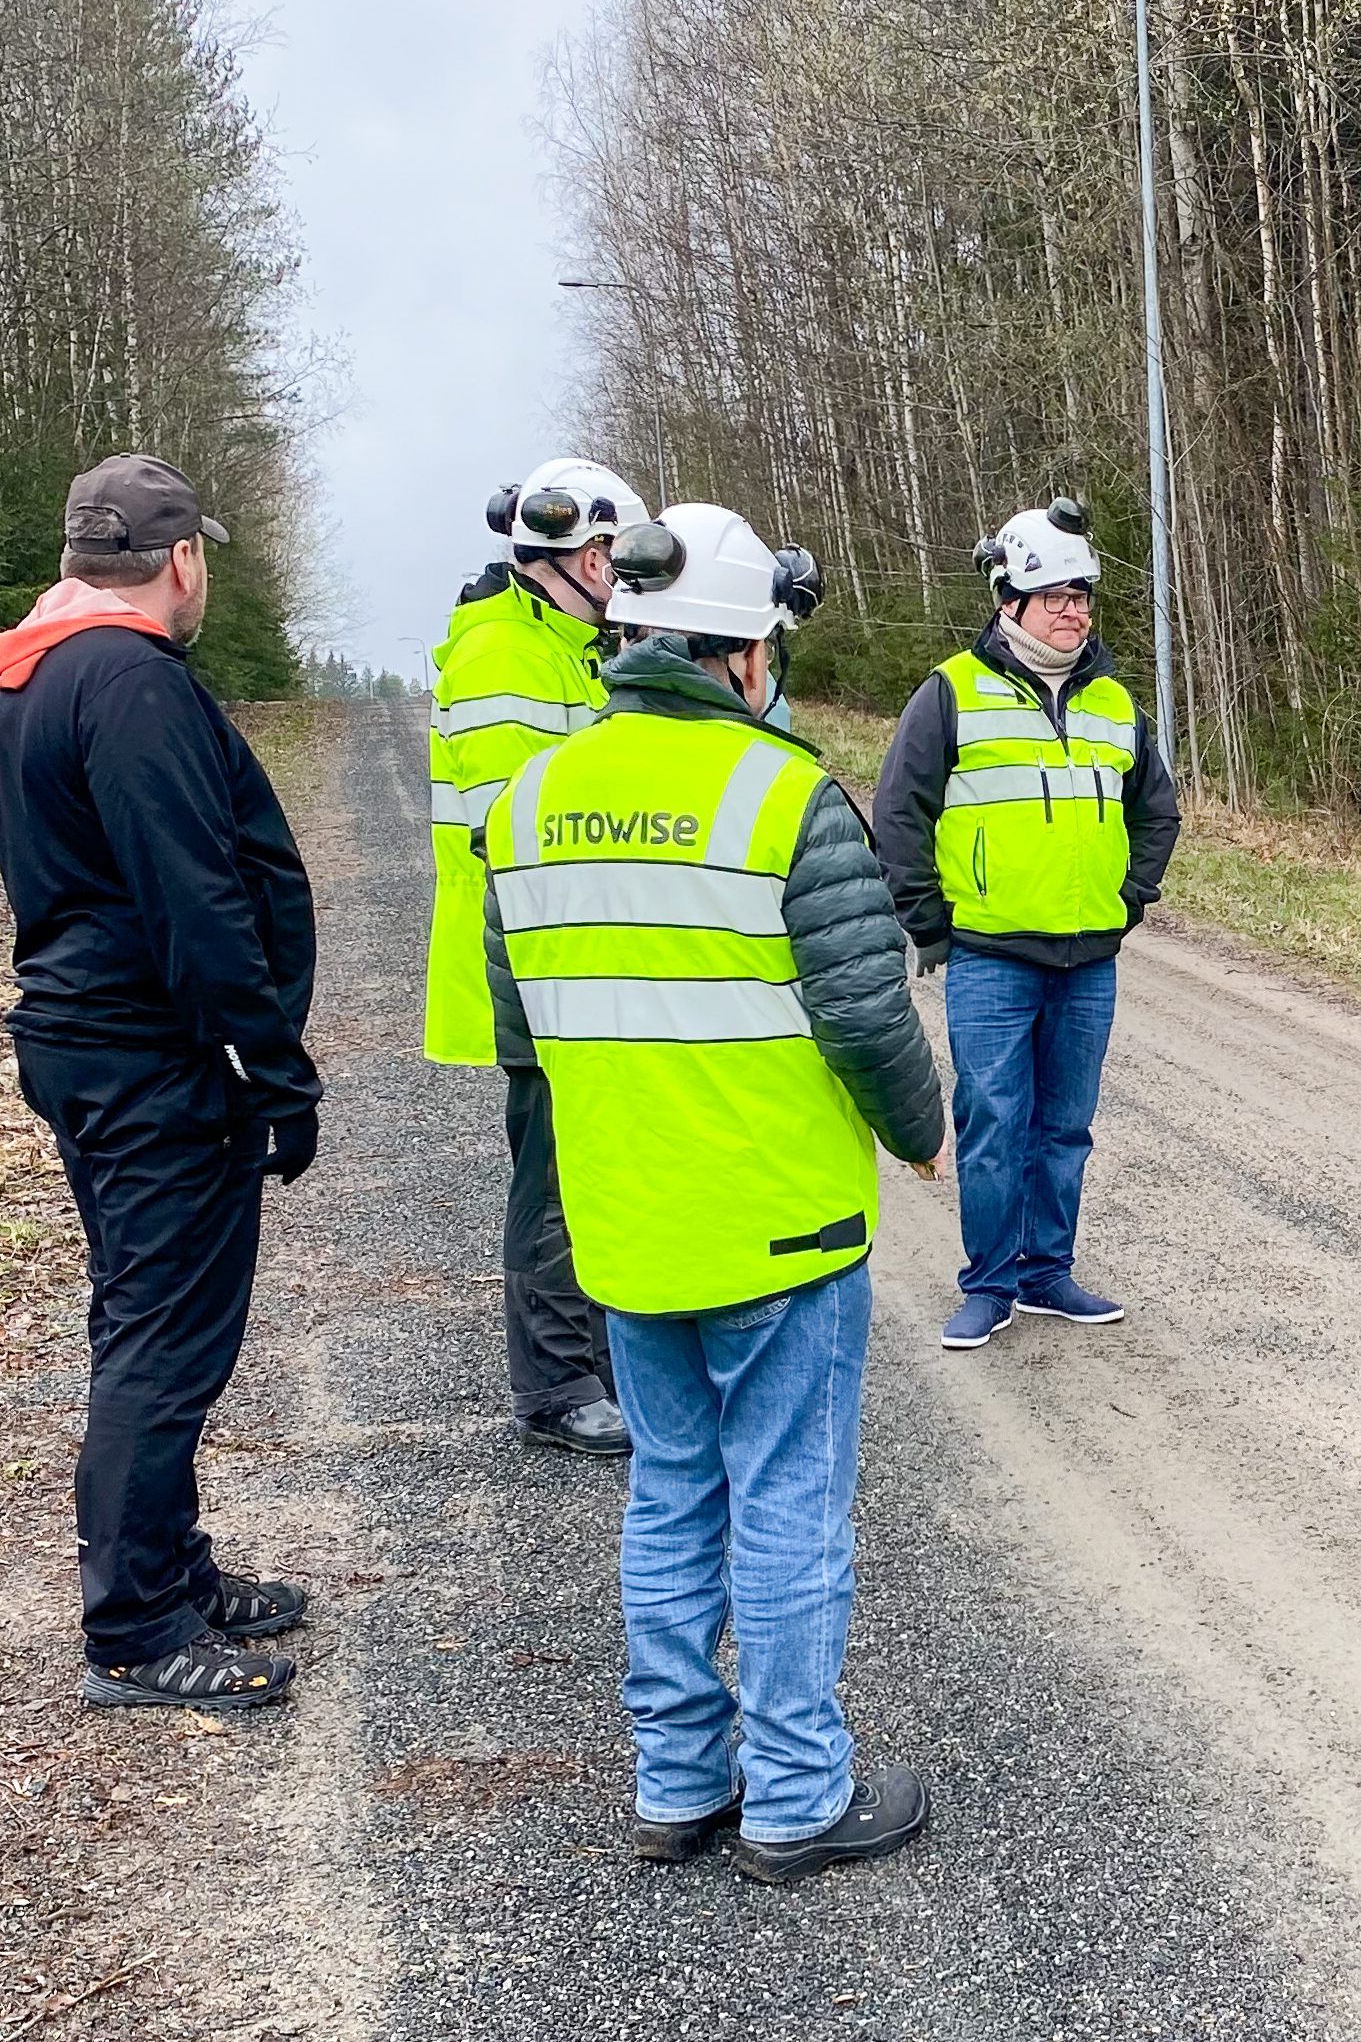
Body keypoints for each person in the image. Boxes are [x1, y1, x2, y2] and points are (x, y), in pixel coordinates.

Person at [486, 503, 946, 1881]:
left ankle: (678, 1777)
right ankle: (799, 1791)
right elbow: (868, 1014)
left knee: (671, 1498)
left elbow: (527, 1028)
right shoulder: (780, 792)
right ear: (747, 655)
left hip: (628, 1223)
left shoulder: (531, 799)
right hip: (779, 1224)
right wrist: (924, 1135)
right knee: (789, 1503)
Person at [0, 455, 319, 1711]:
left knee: (144, 1320)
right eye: (205, 558)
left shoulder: (43, 666)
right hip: (152, 1058)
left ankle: (173, 1571)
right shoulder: (128, 679)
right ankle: (132, 1628)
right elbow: (195, 894)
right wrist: (269, 1068)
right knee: (162, 1341)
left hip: (97, 1042)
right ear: (179, 559)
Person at [871, 498, 1181, 1352]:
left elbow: (1157, 812)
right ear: (1008, 602)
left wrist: (1129, 898)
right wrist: (927, 921)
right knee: (993, 1123)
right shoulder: (951, 692)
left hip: (1088, 959)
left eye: (1082, 596)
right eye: (1055, 597)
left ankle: (1047, 1273)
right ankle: (990, 1282)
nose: (1074, 611)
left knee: (1065, 1125)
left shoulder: (1116, 702)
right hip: (990, 957)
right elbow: (898, 811)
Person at [424, 457, 644, 1456]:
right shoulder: (505, 654)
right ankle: (554, 1385)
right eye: (617, 558)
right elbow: (516, 822)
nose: (625, 579)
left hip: (576, 956)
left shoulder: (572, 647)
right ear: (586, 553)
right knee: (553, 1179)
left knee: (591, 1164)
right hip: (533, 957)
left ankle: (591, 1357)